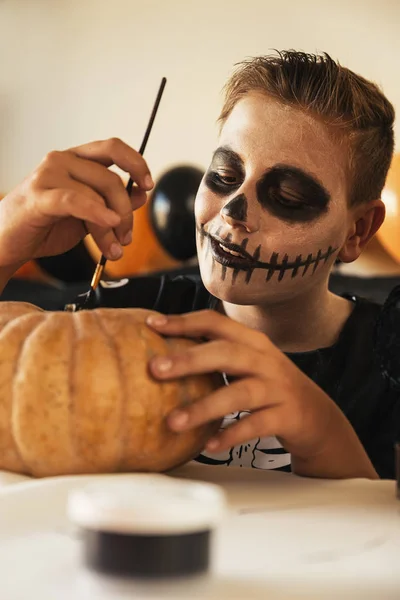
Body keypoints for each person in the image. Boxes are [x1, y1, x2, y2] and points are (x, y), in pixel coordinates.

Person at [0, 51, 398, 480]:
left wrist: (322, 431)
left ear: (357, 230)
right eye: (225, 174)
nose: (233, 210)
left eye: (288, 197)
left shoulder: (388, 360)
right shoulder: (134, 316)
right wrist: (5, 246)